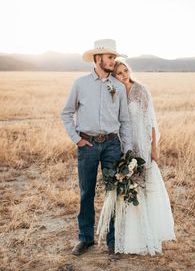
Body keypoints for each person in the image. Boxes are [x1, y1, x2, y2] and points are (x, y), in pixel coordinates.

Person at [61, 39, 132, 257]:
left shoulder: (118, 87)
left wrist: (127, 151)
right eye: (110, 57)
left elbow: (125, 120)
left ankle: (112, 241)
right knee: (86, 192)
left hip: (112, 145)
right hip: (88, 145)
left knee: (113, 193)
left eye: (114, 57)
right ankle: (85, 238)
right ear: (97, 58)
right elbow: (66, 113)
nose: (113, 61)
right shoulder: (80, 84)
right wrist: (76, 138)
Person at [108, 60, 176, 255]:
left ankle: (150, 234)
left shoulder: (141, 90)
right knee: (129, 189)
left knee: (146, 187)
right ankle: (132, 237)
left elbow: (151, 121)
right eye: (119, 73)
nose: (124, 75)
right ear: (113, 76)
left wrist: (154, 147)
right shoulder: (116, 95)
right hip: (125, 148)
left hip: (143, 147)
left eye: (125, 70)